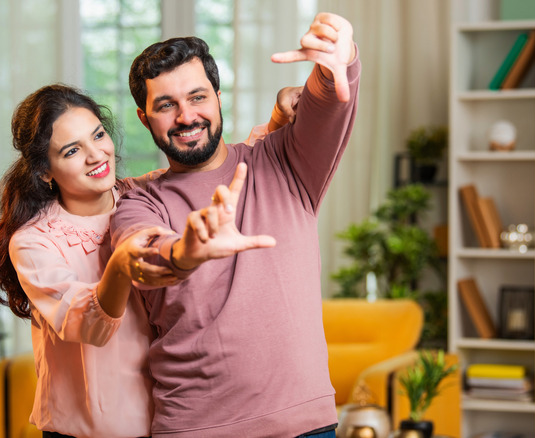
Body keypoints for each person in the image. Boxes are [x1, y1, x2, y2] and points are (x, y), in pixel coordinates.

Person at [0, 83, 302, 438]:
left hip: (170, 420)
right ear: (45, 171)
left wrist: (277, 120)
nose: (96, 155)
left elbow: (223, 175)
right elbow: (85, 325)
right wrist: (121, 265)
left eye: (99, 135)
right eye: (72, 150)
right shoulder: (34, 241)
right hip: (87, 431)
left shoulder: (144, 198)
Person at [109, 11, 360, 438]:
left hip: (306, 425)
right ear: (143, 117)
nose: (186, 116)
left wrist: (342, 56)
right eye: (166, 105)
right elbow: (140, 253)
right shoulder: (138, 200)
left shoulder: (285, 161)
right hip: (195, 428)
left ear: (219, 97)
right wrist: (186, 252)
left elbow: (326, 99)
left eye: (197, 97)